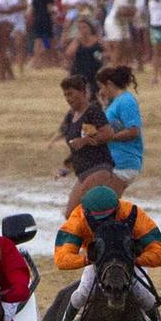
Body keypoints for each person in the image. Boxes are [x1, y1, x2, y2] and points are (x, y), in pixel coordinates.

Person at [52, 185, 161, 321]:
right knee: (83, 292)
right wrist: (87, 259)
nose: (104, 223)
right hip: (98, 261)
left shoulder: (132, 213)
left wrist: (135, 259)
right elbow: (61, 258)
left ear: (117, 208)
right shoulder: (78, 218)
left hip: (128, 260)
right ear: (88, 213)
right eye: (99, 221)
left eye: (108, 218)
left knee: (144, 294)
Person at [56, 74, 124, 216]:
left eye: (71, 94)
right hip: (82, 171)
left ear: (82, 92)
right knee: (70, 214)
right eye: (65, 95)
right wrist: (66, 167)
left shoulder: (92, 111)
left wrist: (85, 141)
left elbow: (108, 133)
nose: (68, 99)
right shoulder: (70, 116)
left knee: (88, 212)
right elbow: (75, 147)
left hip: (98, 167)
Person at [97, 65, 144, 189]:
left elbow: (133, 131)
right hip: (114, 162)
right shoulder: (115, 102)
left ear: (109, 84)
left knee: (104, 206)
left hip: (123, 163)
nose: (100, 92)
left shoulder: (126, 101)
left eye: (101, 87)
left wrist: (109, 137)